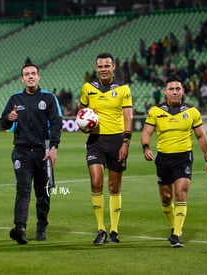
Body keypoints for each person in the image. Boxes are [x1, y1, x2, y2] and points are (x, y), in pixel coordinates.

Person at [140, 76, 207, 248]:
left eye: (178, 89)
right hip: (163, 158)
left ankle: (175, 236)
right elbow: (146, 132)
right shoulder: (155, 111)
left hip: (183, 158)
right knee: (166, 198)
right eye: (171, 89)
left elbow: (201, 136)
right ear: (165, 92)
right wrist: (146, 148)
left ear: (183, 91)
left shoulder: (192, 112)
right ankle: (176, 227)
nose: (175, 92)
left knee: (181, 193)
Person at [0, 63, 62, 245]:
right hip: (21, 151)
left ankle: (41, 226)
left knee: (44, 191)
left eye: (33, 73)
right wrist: (8, 119)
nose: (30, 77)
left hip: (44, 150)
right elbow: (4, 124)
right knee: (23, 189)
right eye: (27, 74)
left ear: (38, 76)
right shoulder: (15, 99)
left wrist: (54, 147)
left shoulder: (49, 98)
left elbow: (57, 123)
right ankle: (20, 228)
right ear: (22, 79)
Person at [78, 53, 134, 245]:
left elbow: (128, 118)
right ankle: (100, 229)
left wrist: (126, 142)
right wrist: (82, 124)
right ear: (96, 68)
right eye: (100, 66)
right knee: (96, 182)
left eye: (106, 66)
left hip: (117, 141)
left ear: (113, 67)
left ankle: (114, 230)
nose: (103, 69)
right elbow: (82, 111)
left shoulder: (123, 89)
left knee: (114, 186)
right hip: (96, 141)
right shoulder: (88, 88)